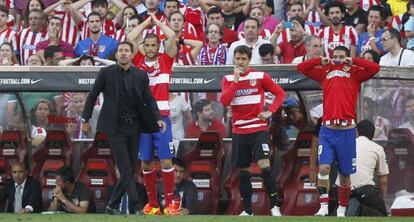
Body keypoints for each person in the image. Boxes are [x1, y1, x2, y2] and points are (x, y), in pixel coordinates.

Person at [82, 42, 164, 215]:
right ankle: (135, 206)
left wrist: (157, 118)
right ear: (116, 55)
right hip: (115, 127)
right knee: (126, 168)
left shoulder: (141, 75)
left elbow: (149, 99)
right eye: (121, 51)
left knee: (131, 168)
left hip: (135, 126)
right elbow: (92, 96)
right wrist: (85, 118)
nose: (124, 54)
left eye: (127, 51)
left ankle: (112, 204)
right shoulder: (106, 73)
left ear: (132, 54)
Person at [298, 45, 380, 217]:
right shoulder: (324, 71)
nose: (338, 59)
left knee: (344, 175)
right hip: (327, 130)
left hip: (347, 132)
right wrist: (320, 60)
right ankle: (323, 207)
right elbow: (302, 67)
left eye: (341, 56)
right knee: (324, 168)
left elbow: (375, 68)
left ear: (347, 57)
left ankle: (342, 209)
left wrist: (354, 60)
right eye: (335, 55)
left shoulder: (355, 72)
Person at [221, 45, 286, 216]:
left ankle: (274, 207)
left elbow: (280, 93)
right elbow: (224, 101)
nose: (240, 62)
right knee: (243, 172)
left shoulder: (260, 76)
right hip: (239, 131)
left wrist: (270, 111)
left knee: (265, 166)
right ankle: (248, 210)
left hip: (258, 129)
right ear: (233, 59)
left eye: (243, 59)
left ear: (249, 60)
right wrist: (235, 82)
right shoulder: (228, 79)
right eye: (237, 58)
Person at [130, 14, 178, 215]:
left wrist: (157, 22)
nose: (150, 48)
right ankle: (153, 205)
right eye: (147, 45)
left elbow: (172, 36)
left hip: (162, 118)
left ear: (158, 46)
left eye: (153, 45)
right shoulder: (138, 60)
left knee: (166, 161)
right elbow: (130, 38)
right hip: (143, 120)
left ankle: (169, 204)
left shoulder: (166, 60)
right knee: (147, 162)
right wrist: (145, 23)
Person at [345, 120, 388, 216]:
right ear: (372, 135)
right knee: (382, 213)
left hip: (342, 190)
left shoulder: (345, 145)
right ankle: (359, 209)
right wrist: (381, 198)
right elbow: (383, 181)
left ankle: (347, 208)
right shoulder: (377, 148)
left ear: (357, 132)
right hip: (365, 190)